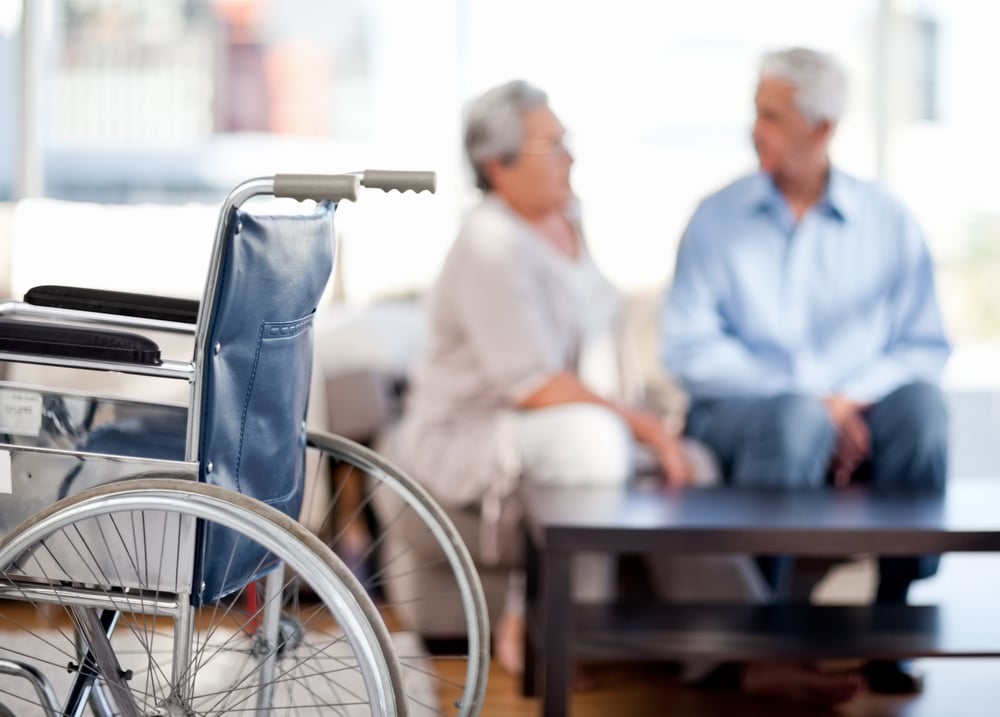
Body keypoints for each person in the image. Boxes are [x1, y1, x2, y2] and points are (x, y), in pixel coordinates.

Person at [397, 78, 862, 706]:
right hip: (474, 433)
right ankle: (563, 632)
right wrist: (644, 429)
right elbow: (532, 383)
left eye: (566, 142)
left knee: (690, 463)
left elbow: (602, 327)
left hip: (549, 424)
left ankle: (741, 653)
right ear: (498, 166)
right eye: (552, 146)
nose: (570, 157)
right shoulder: (489, 244)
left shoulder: (565, 221)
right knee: (593, 444)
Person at [662, 47, 951, 695]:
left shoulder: (887, 221)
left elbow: (924, 344)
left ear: (821, 130)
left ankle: (893, 625)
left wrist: (850, 401)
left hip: (859, 410)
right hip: (744, 413)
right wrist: (810, 401)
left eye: (772, 115)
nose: (754, 128)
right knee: (794, 418)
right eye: (755, 111)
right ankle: (763, 636)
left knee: (924, 408)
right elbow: (688, 348)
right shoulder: (717, 218)